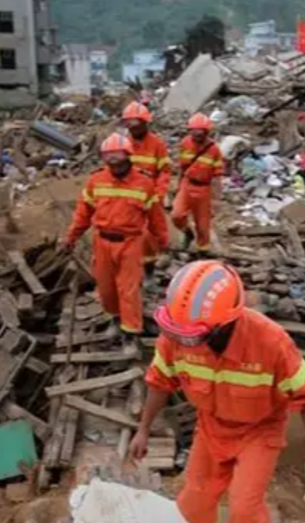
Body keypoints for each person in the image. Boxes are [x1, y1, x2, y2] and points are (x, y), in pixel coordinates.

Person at [130, 260, 305, 523]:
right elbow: (160, 380)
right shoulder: (178, 335)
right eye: (180, 334)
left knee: (243, 507)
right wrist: (143, 429)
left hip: (260, 431)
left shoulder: (270, 342)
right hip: (212, 429)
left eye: (194, 335)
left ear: (225, 323)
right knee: (192, 502)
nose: (185, 341)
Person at [65, 134, 170, 344]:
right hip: (102, 241)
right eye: (109, 160)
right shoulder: (96, 181)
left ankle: (131, 332)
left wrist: (163, 241)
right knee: (106, 288)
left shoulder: (144, 183)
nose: (114, 165)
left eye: (119, 160)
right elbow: (83, 213)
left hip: (130, 242)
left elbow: (156, 217)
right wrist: (71, 237)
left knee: (128, 288)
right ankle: (115, 318)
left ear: (129, 158)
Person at [122, 101, 172, 267]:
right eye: (130, 125)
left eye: (136, 124)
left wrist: (159, 193)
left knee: (153, 231)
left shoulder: (157, 144)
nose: (133, 129)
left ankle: (153, 263)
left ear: (145, 123)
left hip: (151, 196)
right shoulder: (124, 144)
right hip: (130, 197)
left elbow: (164, 170)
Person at [173, 113, 225, 254]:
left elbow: (217, 175)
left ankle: (202, 252)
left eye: (200, 132)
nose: (197, 135)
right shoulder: (185, 143)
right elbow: (182, 167)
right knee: (177, 215)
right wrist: (178, 186)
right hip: (187, 184)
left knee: (203, 225)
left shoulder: (214, 150)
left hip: (204, 188)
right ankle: (187, 232)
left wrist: (216, 198)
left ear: (206, 132)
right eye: (194, 131)